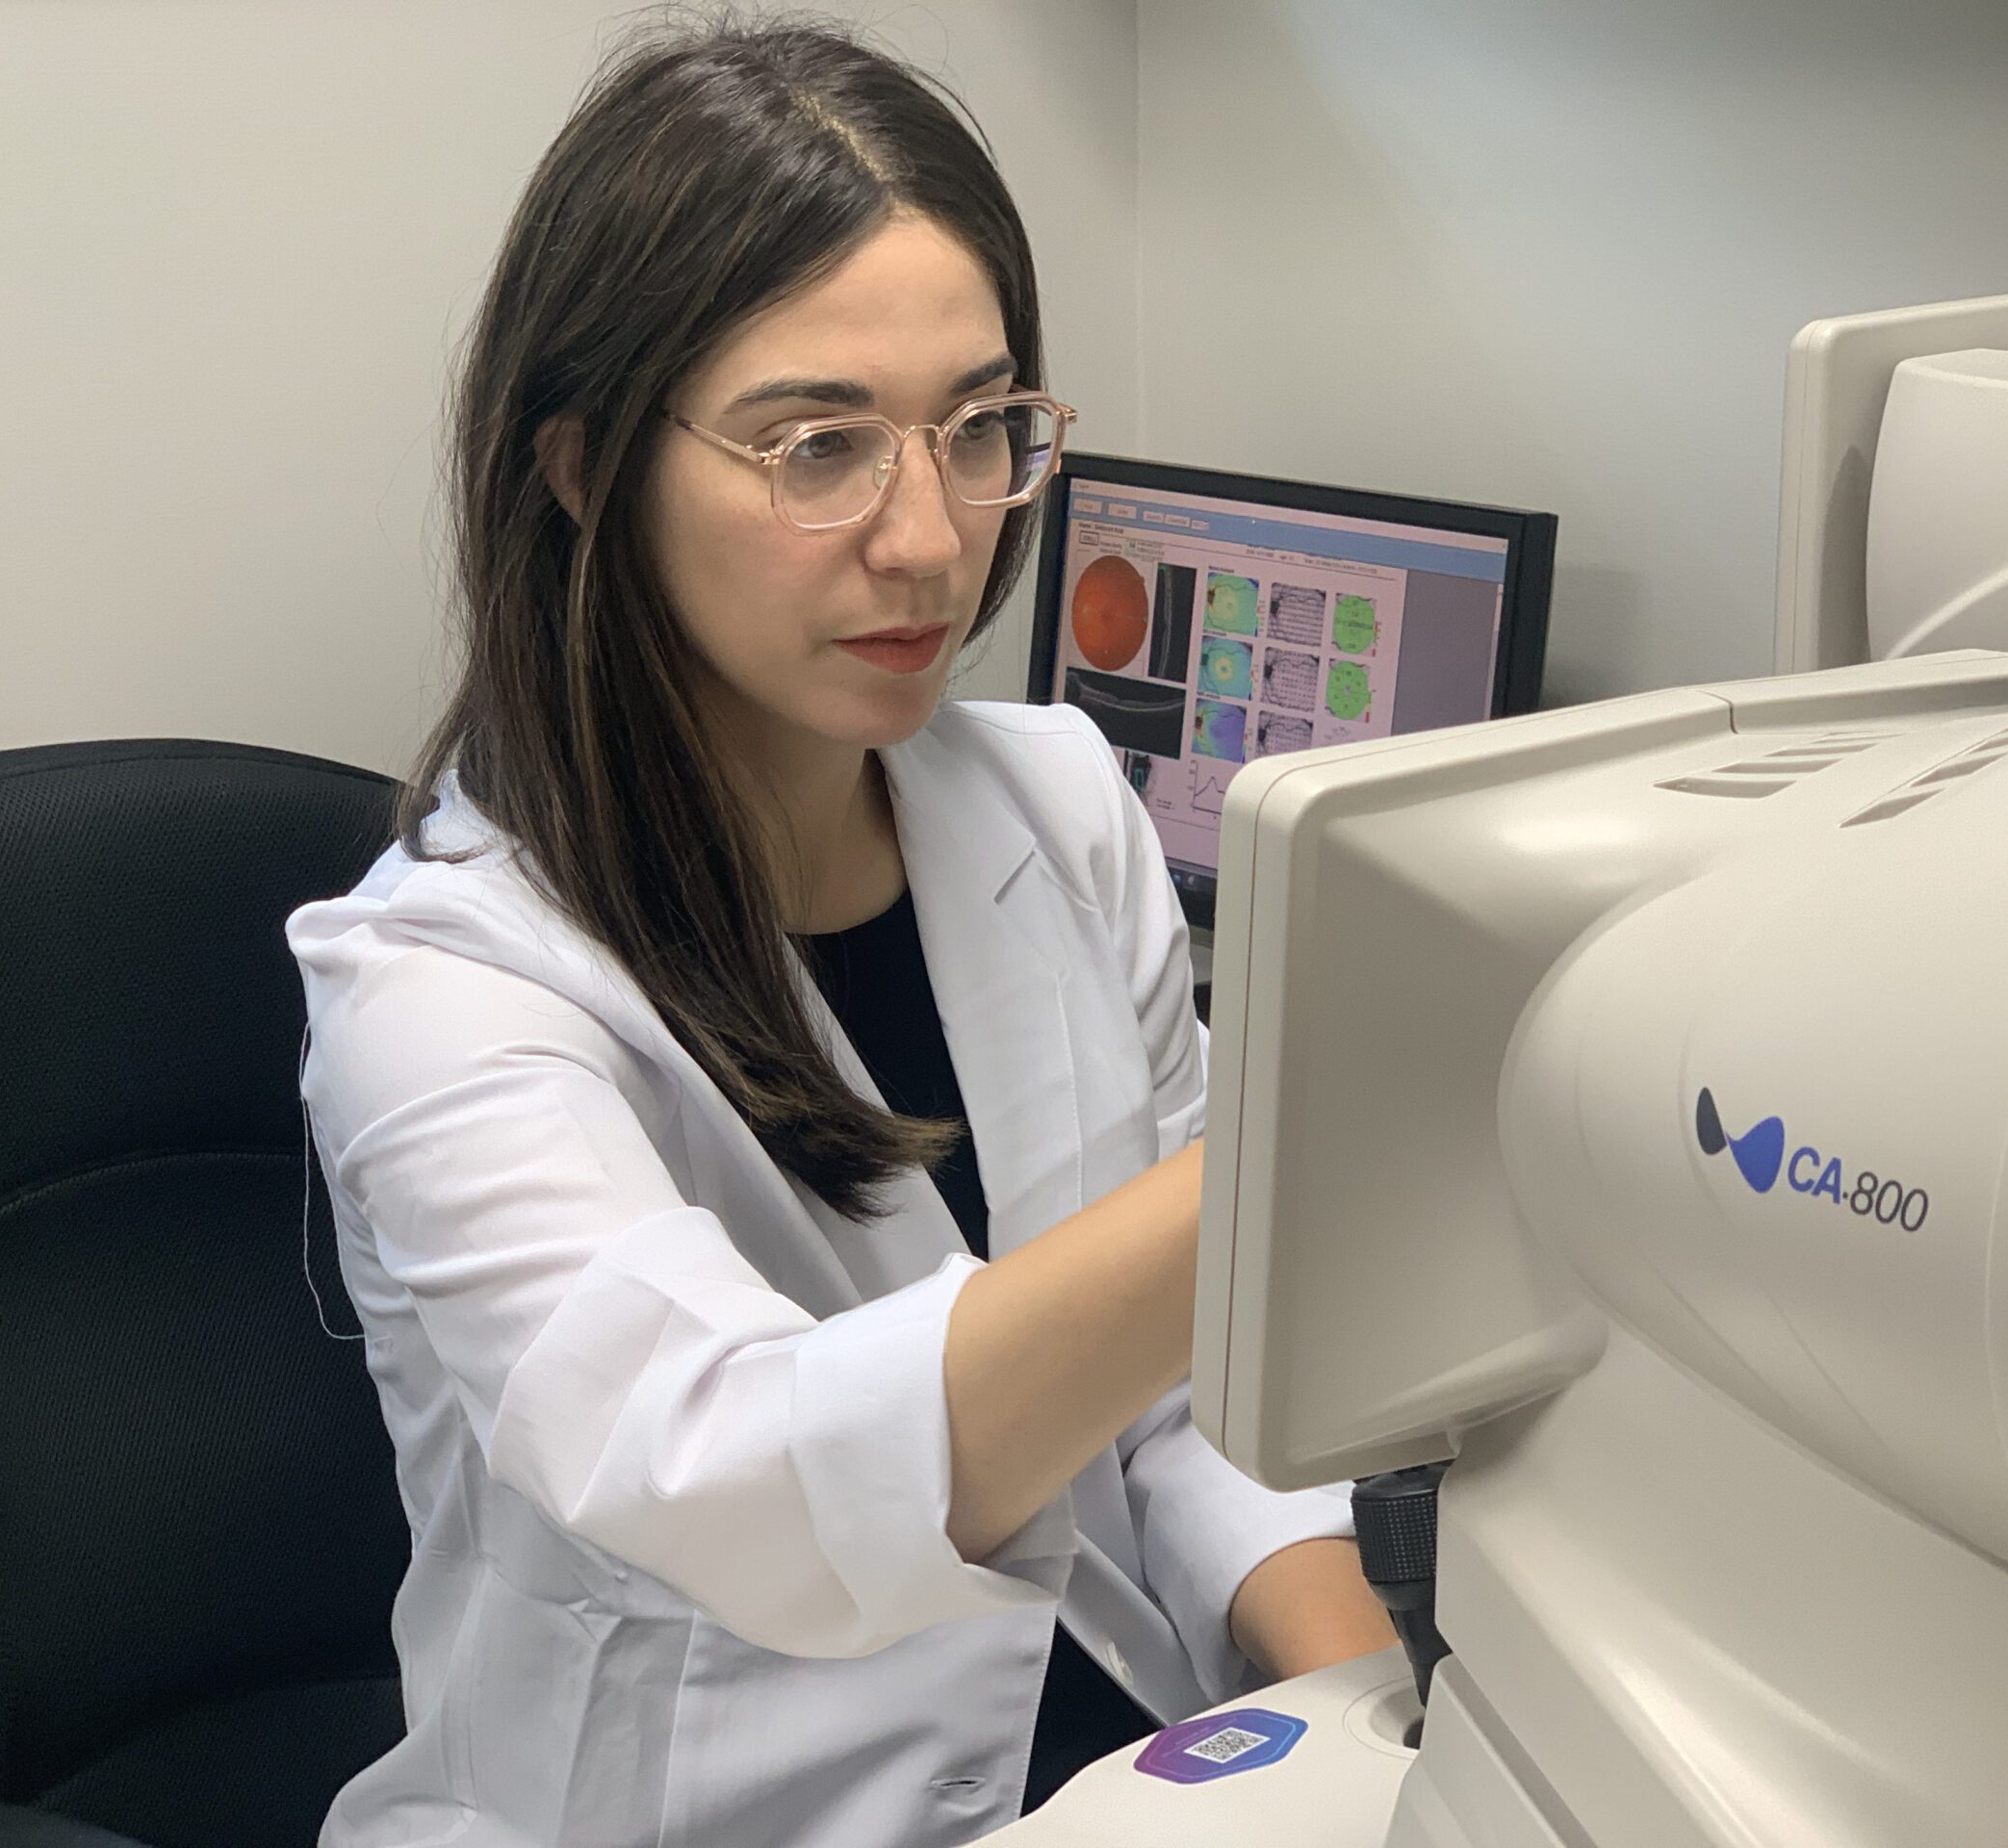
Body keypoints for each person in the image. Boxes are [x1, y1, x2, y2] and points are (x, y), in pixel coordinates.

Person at [288, 20, 1393, 1847]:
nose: (929, 541)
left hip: (1103, 1764)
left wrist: (1376, 1726)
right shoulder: (440, 986)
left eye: (981, 430)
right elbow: (747, 1480)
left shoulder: (1060, 809)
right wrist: (1323, 1140)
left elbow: (1184, 1397)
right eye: (820, 447)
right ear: (585, 467)